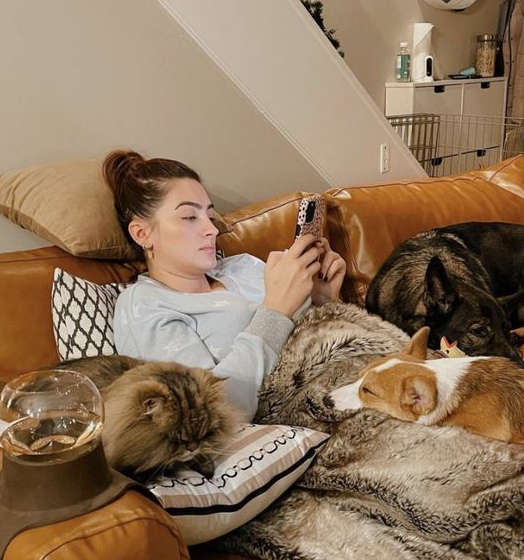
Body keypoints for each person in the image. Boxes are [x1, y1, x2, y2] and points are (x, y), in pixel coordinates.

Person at [105, 150, 346, 421]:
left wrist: (323, 298)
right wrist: (276, 312)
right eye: (189, 217)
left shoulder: (243, 266)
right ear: (142, 233)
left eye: (209, 216)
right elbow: (211, 411)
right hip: (305, 417)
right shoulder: (144, 305)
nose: (212, 229)